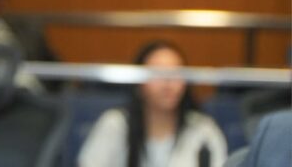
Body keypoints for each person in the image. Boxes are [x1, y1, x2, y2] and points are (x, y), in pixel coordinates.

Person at [78, 40, 227, 167]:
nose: (168, 83)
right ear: (139, 83)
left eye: (176, 73)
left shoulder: (203, 129)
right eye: (158, 74)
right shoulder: (114, 125)